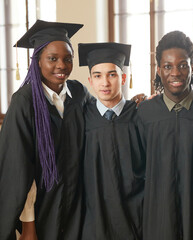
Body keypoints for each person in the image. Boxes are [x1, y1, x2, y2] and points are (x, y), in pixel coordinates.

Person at [137, 30, 193, 240]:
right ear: (159, 69)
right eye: (168, 66)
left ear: (192, 67)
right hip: (159, 219)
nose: (176, 73)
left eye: (183, 65)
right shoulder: (144, 113)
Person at [0, 20, 89, 240]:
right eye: (52, 58)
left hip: (76, 205)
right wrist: (28, 225)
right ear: (37, 61)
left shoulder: (79, 94)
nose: (61, 65)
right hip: (42, 209)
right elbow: (18, 169)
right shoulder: (25, 101)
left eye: (68, 59)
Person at [78, 42, 144, 240]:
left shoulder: (141, 114)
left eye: (112, 74)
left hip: (136, 218)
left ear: (123, 78)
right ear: (90, 80)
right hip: (94, 219)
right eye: (97, 76)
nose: (104, 83)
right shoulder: (81, 117)